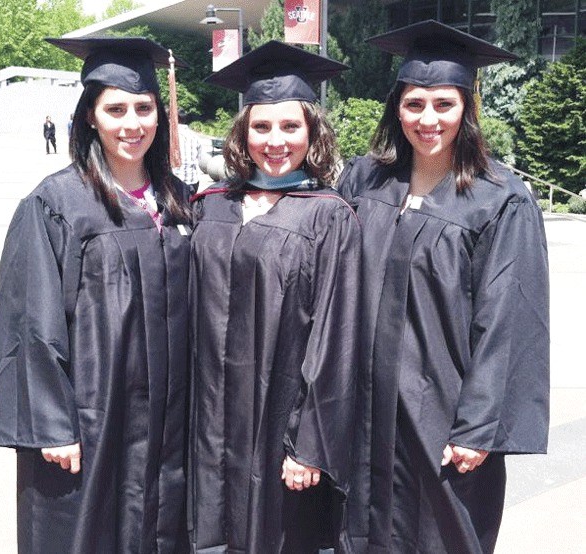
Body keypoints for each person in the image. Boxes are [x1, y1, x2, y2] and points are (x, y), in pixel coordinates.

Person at [337, 21, 550, 554]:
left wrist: (478, 426)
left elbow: (507, 319)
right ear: (396, 107)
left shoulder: (499, 198)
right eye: (414, 104)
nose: (427, 119)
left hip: (440, 417)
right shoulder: (364, 180)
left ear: (466, 108)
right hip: (363, 414)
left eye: (443, 104)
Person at [0, 37, 191, 553]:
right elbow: (30, 321)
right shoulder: (56, 202)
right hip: (92, 417)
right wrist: (53, 426)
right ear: (90, 118)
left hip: (168, 422)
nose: (132, 123)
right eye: (115, 109)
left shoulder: (179, 200)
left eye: (144, 108)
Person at [188, 41, 361, 553]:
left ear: (312, 132)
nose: (275, 140)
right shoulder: (212, 204)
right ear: (243, 132)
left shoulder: (329, 215)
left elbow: (337, 337)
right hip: (206, 421)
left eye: (290, 126)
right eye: (261, 126)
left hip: (278, 428)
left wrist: (310, 445)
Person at [172, 108, 202, 193]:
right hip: (193, 181)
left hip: (176, 182)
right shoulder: (194, 136)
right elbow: (199, 159)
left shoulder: (171, 136)